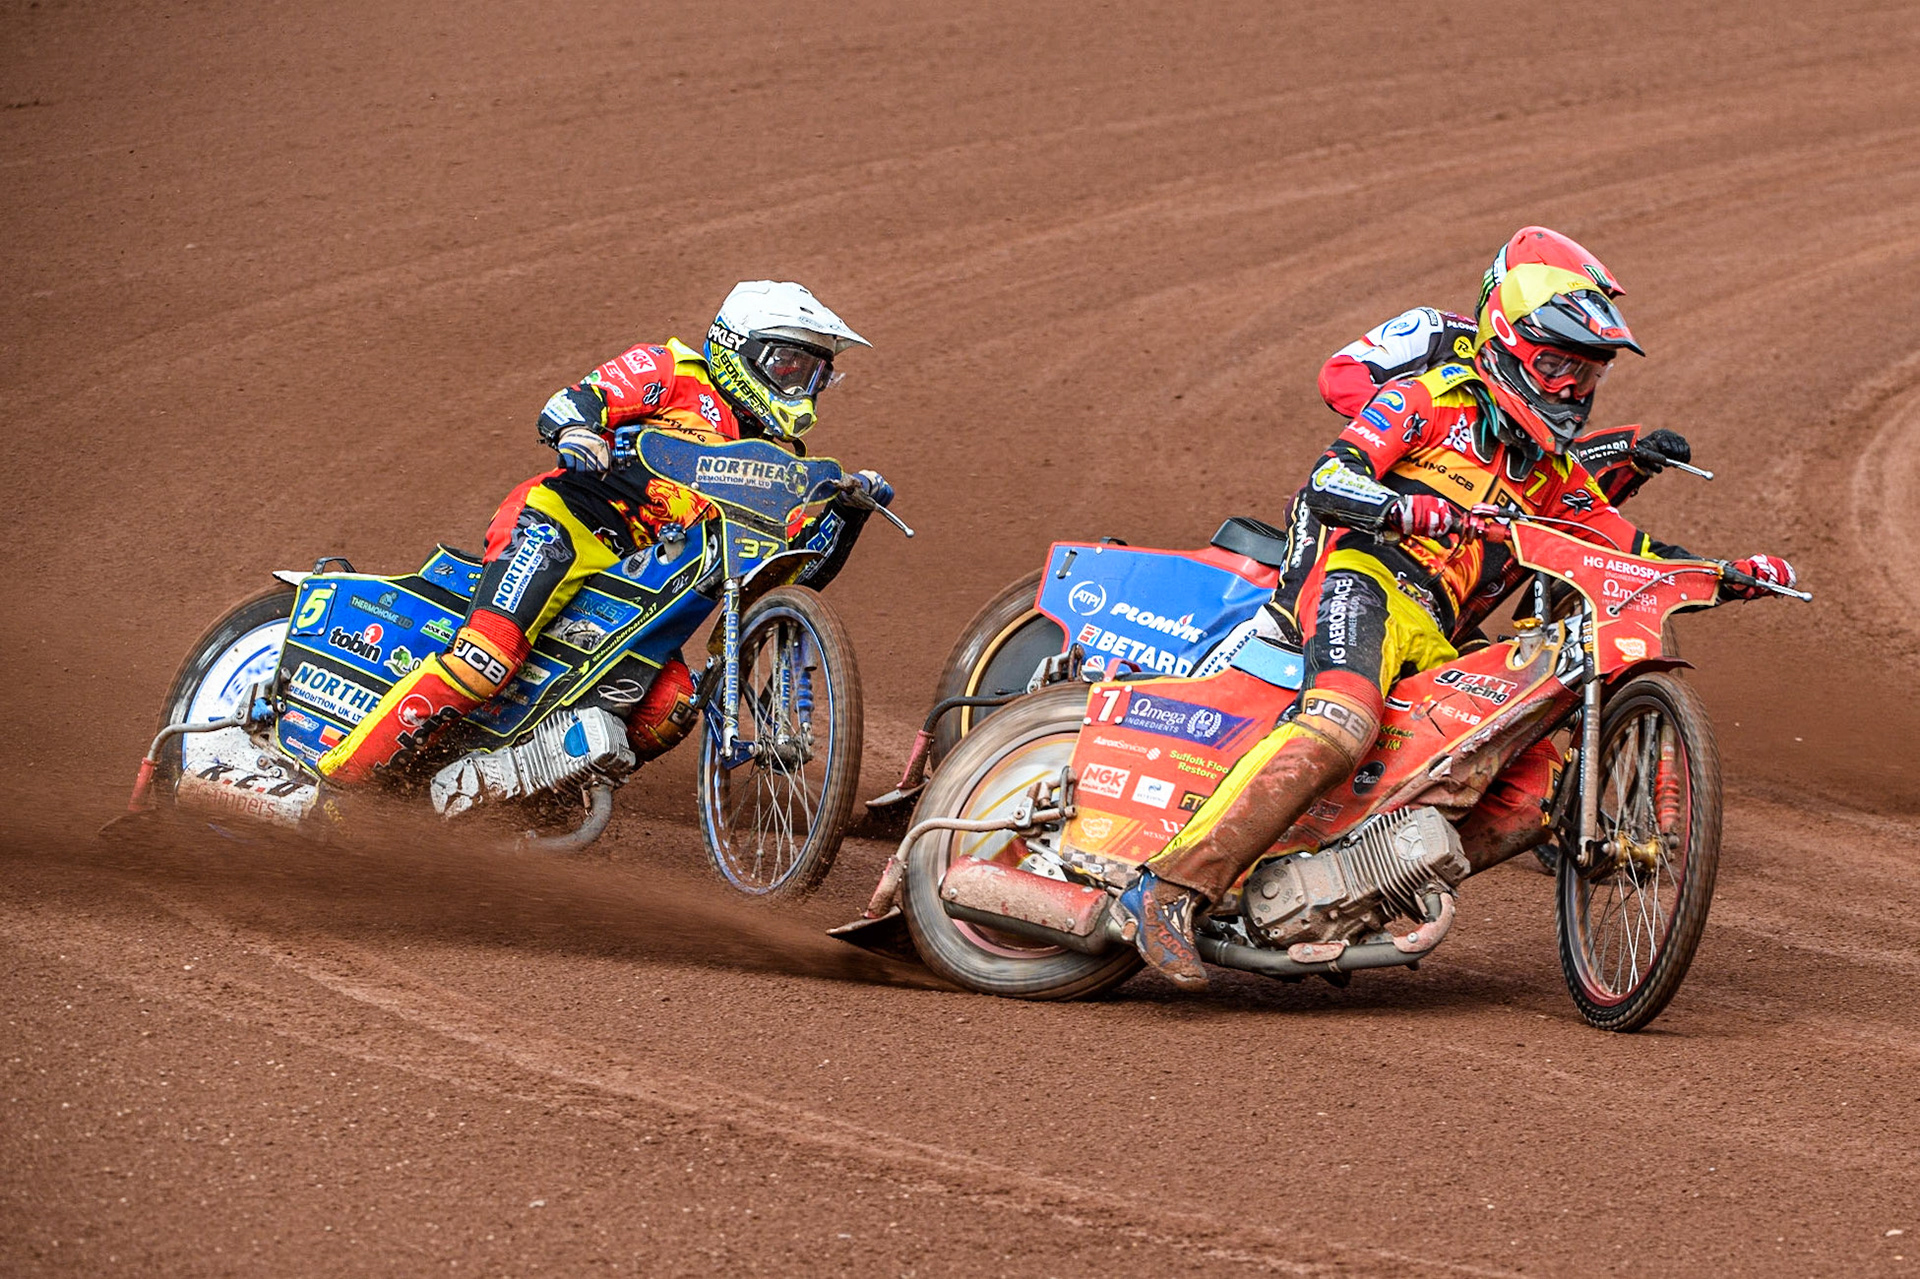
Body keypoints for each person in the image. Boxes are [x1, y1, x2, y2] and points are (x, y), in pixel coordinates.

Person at [1114, 230, 1798, 989]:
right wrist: (1410, 513)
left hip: (1440, 630)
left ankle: (1341, 899)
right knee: (1342, 725)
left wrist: (1728, 573)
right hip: (1362, 578)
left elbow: (1625, 548)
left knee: (1524, 788)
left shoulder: (1555, 472)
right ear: (1508, 344)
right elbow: (1329, 482)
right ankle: (1166, 889)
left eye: (1588, 373)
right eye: (1558, 365)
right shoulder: (1428, 398)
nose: (1572, 389)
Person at [317, 280, 890, 789]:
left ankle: (516, 795)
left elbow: (789, 574)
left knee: (668, 708)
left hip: (635, 581)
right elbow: (576, 399)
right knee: (486, 659)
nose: (803, 383)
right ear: (740, 347)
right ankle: (338, 786)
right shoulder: (672, 370)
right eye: (791, 365)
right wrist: (577, 430)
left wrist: (847, 512)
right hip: (565, 524)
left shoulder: (777, 463)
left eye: (817, 372)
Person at [1267, 230, 1695, 643]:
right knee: (1316, 526)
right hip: (1387, 479)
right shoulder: (1435, 329)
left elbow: (1554, 473)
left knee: (1534, 519)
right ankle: (1283, 627)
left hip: (1473, 512)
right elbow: (1339, 376)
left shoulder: (1547, 371)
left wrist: (1626, 458)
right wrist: (1416, 425)